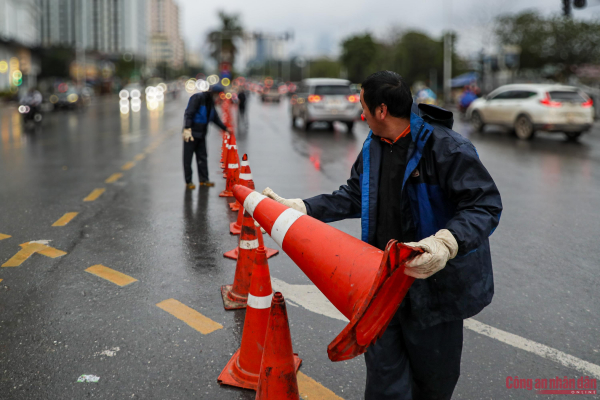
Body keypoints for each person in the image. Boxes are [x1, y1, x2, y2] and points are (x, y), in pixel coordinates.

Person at [263, 71, 502, 400]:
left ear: (381, 111)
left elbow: (484, 205)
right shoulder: (373, 148)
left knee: (433, 385)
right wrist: (302, 208)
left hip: (434, 290)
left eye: (363, 106)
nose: (360, 114)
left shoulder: (446, 148)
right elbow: (353, 195)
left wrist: (446, 243)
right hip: (382, 287)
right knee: (384, 384)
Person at [182, 86, 230, 189]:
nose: (219, 98)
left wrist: (225, 128)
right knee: (188, 158)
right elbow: (189, 113)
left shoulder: (210, 103)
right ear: (214, 93)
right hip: (191, 133)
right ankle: (188, 181)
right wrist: (187, 128)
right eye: (219, 95)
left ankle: (204, 180)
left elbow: (215, 118)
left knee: (202, 157)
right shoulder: (198, 98)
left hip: (202, 134)